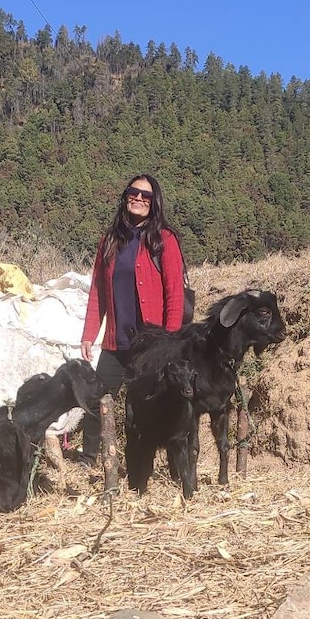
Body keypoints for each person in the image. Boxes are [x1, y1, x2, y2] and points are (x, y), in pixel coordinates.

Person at [79, 173, 186, 463]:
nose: (138, 198)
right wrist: (89, 333)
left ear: (154, 203)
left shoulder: (163, 239)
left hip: (151, 344)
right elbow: (97, 292)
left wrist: (170, 340)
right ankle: (89, 459)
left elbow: (174, 292)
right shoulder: (110, 240)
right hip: (117, 341)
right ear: (125, 195)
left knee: (149, 403)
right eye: (133, 192)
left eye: (146, 196)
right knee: (97, 397)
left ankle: (151, 461)